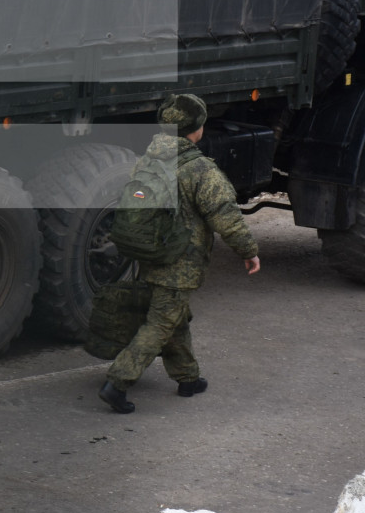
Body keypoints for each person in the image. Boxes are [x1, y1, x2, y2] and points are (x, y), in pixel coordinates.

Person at [98, 94, 261, 414]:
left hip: (150, 253)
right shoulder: (199, 169)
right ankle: (117, 383)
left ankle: (188, 378)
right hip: (180, 261)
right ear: (196, 129)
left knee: (175, 315)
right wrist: (249, 251)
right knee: (160, 322)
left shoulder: (148, 158)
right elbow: (224, 215)